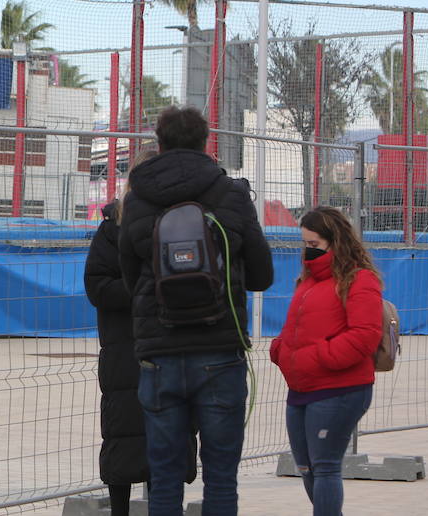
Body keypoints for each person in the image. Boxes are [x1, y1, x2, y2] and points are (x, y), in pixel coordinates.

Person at [119, 105, 274, 516]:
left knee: (165, 477)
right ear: (206, 141)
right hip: (220, 351)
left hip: (160, 354)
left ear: (159, 141)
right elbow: (262, 275)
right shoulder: (231, 195)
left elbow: (130, 278)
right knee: (221, 476)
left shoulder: (137, 199)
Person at [85, 146, 196, 515]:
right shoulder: (112, 230)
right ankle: (121, 509)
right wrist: (145, 288)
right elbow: (97, 287)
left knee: (168, 433)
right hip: (126, 351)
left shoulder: (183, 226)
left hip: (172, 346)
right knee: (125, 431)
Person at [269, 206, 383, 516]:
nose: (307, 251)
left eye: (314, 245)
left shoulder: (360, 280)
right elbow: (295, 325)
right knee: (307, 468)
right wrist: (280, 350)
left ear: (336, 241)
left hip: (339, 388)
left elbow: (364, 336)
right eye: (305, 244)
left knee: (325, 467)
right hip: (302, 388)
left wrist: (316, 357)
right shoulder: (307, 281)